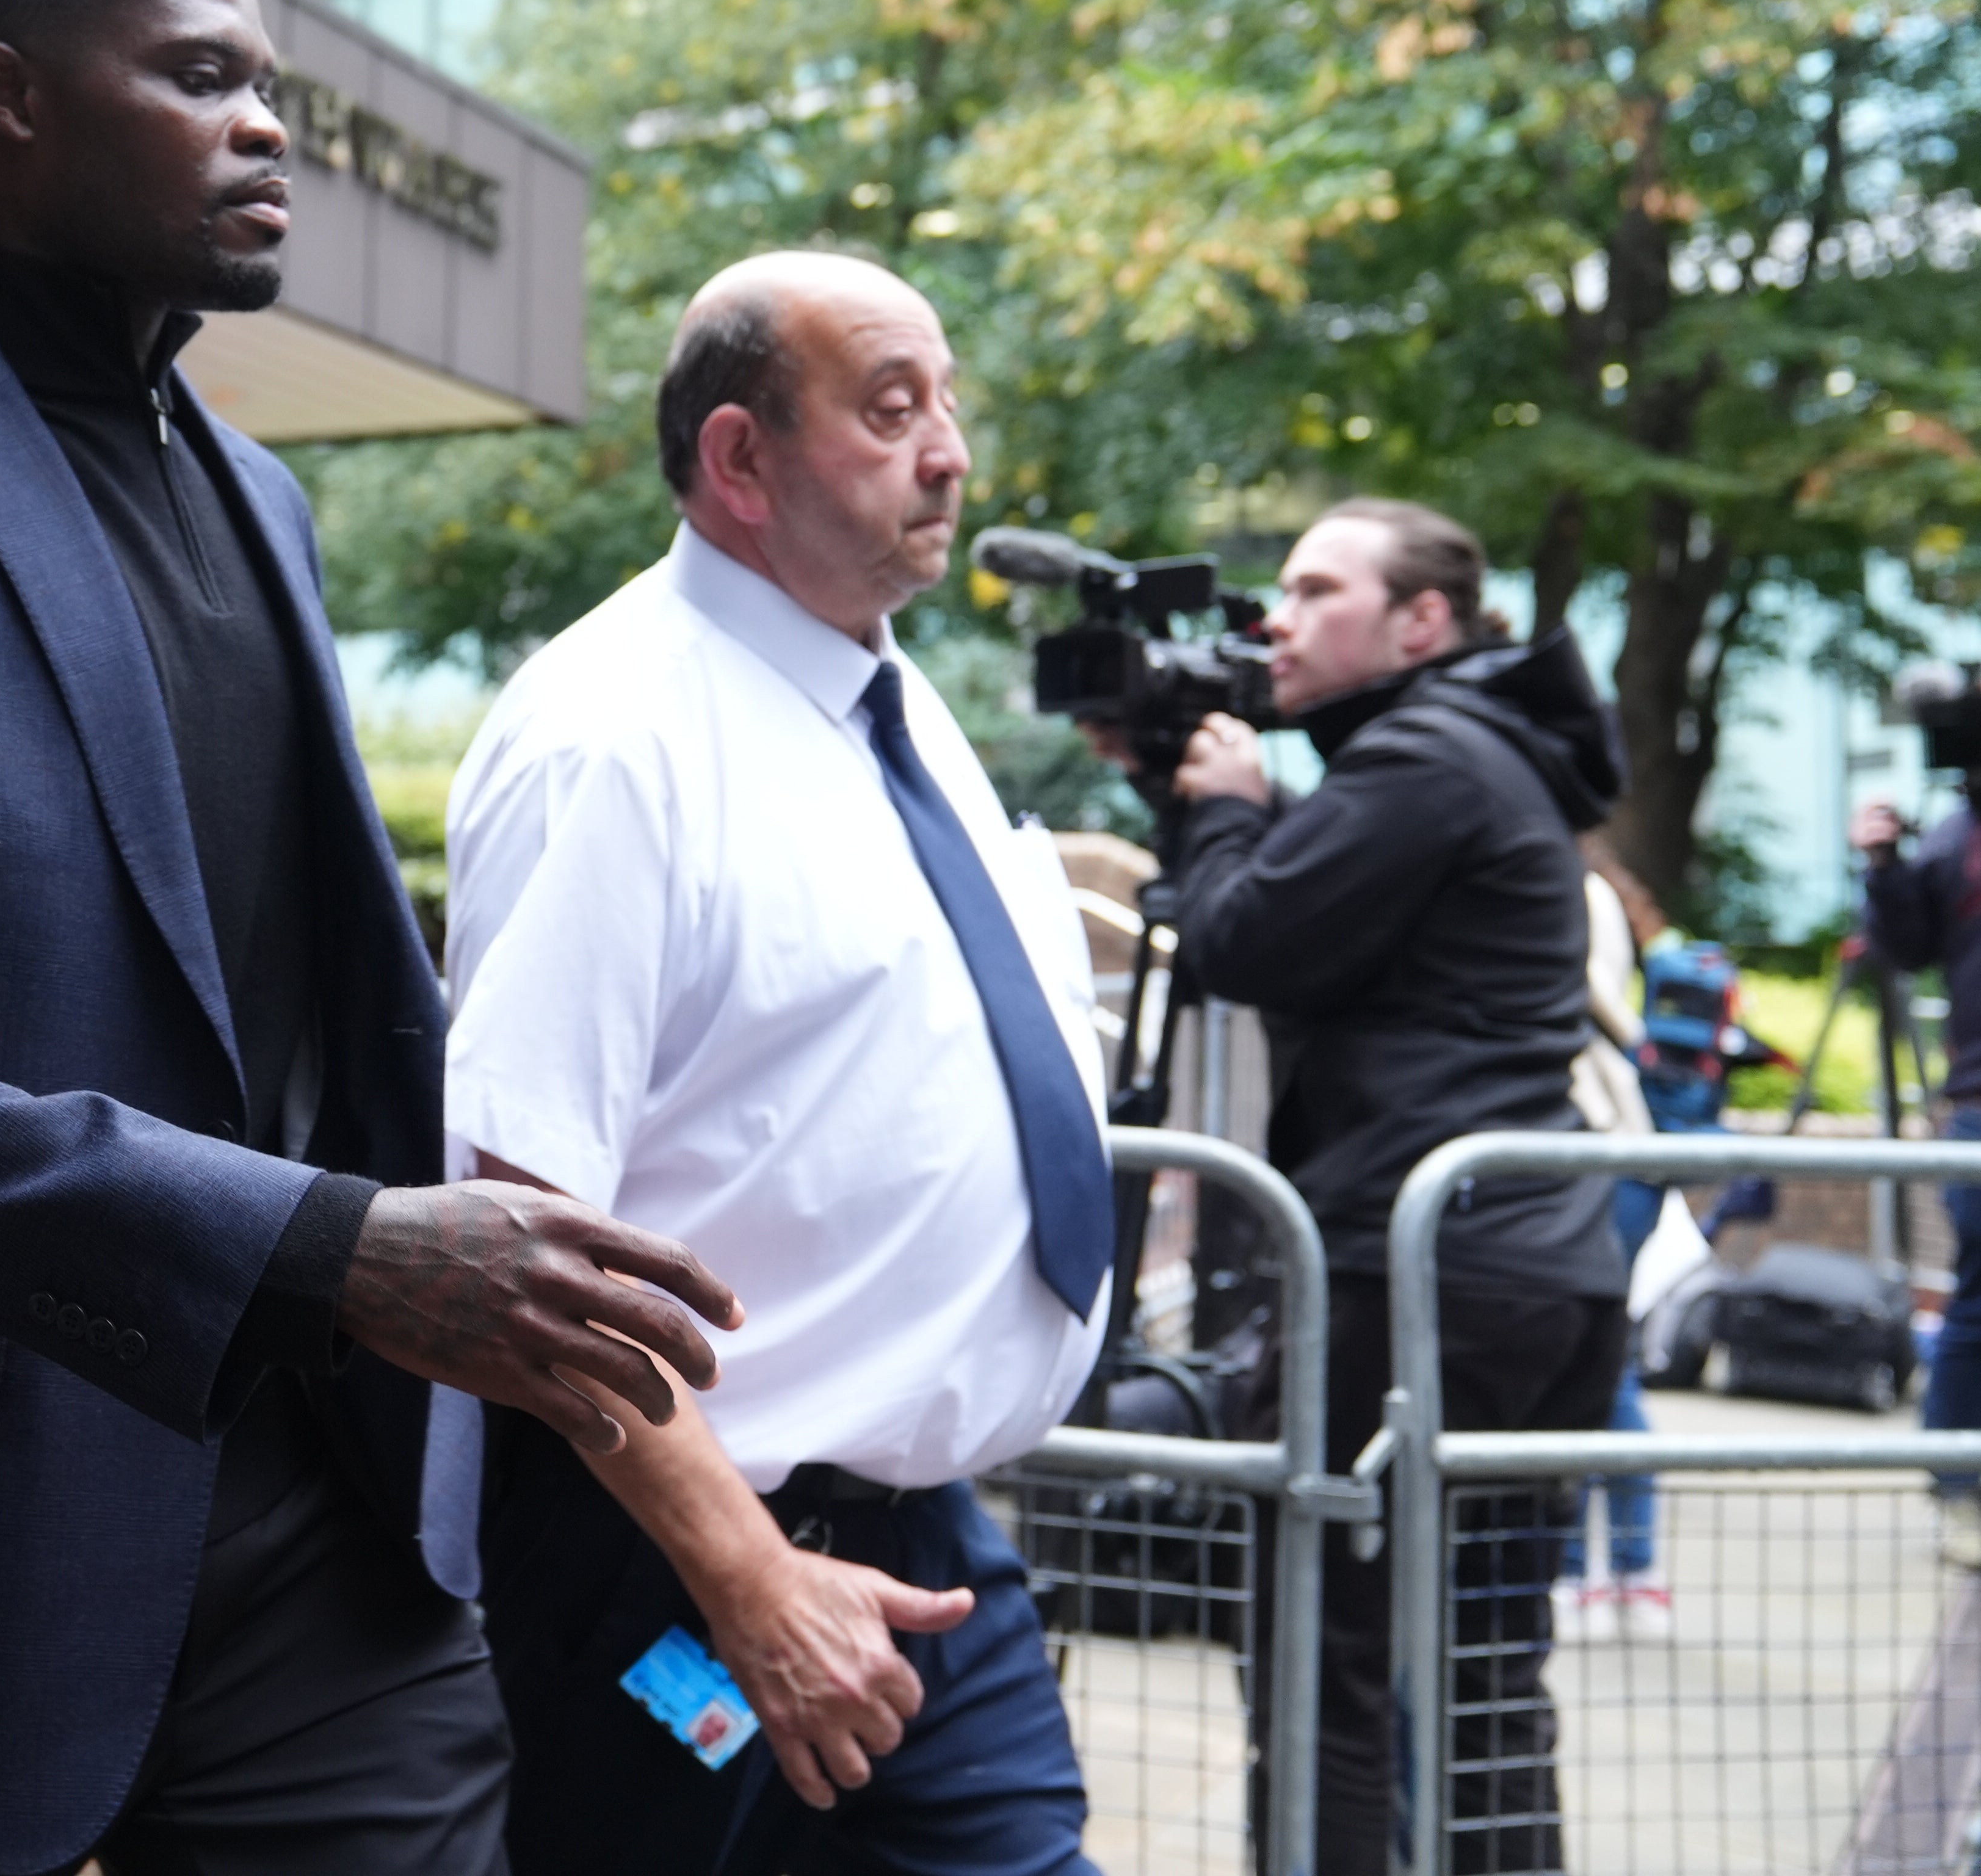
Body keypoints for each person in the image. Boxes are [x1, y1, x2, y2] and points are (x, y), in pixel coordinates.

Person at [0, 0, 739, 1876]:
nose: (270, 127)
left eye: (275, 85)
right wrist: (327, 1245)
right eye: (203, 76)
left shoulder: (265, 496)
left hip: (317, 1527)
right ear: (11, 100)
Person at [449, 251, 1115, 1876]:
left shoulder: (889, 694)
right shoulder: (616, 734)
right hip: (682, 1562)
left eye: (946, 404)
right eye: (892, 410)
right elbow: (527, 1231)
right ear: (741, 461)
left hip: (927, 1541)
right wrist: (748, 1576)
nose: (950, 449)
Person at [1166, 496, 1628, 1876]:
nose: (1275, 619)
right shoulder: (1487, 750)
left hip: (1409, 1271)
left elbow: (1243, 937)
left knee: (1328, 1661)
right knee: (1486, 1672)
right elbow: (1327, 924)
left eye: (1315, 590)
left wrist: (1223, 816)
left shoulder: (1427, 754)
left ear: (1422, 618)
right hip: (1531, 1267)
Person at [1851, 791, 1981, 1573]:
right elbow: (1905, 950)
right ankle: (1959, 1493)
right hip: (1977, 1100)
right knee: (1976, 1300)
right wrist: (1882, 866)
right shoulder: (1960, 829)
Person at [1553, 860, 1670, 1646]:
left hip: (1600, 1152)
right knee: (1587, 1366)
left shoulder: (1568, 888)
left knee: (1599, 1368)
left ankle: (1615, 1569)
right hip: (1603, 1154)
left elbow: (1591, 993)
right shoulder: (1574, 880)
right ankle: (1605, 1570)